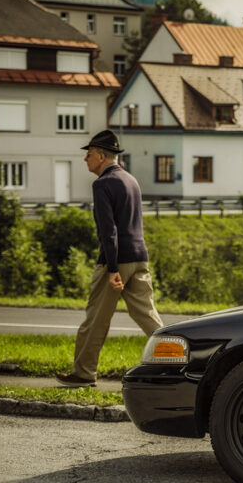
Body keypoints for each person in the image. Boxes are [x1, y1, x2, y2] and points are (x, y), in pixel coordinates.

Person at [56, 130, 163, 387]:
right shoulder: (131, 180)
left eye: (89, 154)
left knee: (95, 320)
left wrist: (112, 268)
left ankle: (83, 373)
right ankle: (181, 358)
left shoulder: (102, 184)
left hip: (116, 261)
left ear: (102, 156)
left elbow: (108, 231)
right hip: (139, 257)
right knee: (147, 316)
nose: (86, 160)